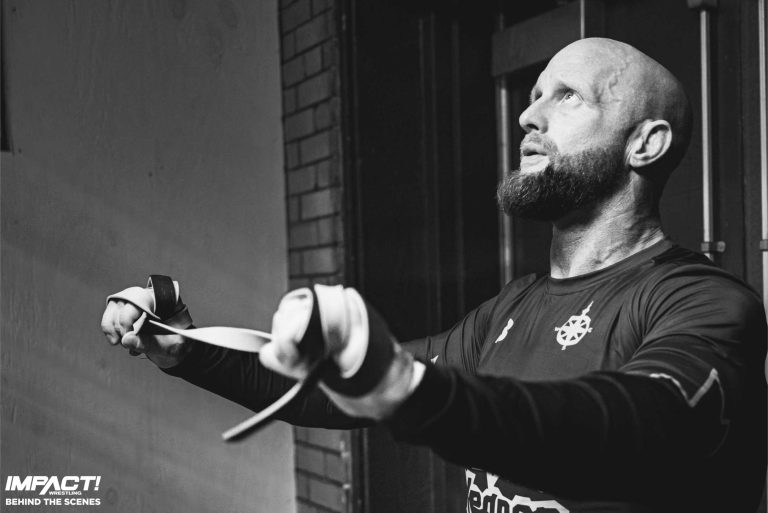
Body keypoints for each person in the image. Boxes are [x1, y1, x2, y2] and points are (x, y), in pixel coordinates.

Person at [101, 38, 767, 512]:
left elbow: (642, 419)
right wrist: (185, 348)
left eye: (567, 97)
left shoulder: (704, 303)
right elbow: (331, 388)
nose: (528, 115)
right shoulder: (511, 309)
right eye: (534, 95)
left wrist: (408, 388)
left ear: (645, 143)